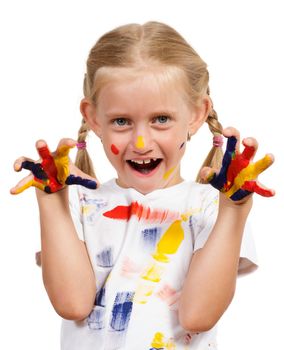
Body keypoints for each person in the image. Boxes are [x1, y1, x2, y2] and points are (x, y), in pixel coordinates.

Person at [11, 21, 275, 350]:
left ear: (196, 114)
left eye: (161, 119)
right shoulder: (77, 203)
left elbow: (198, 316)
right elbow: (72, 304)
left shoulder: (213, 206)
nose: (140, 142)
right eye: (121, 121)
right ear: (93, 118)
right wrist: (50, 202)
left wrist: (235, 212)